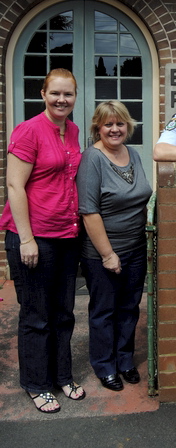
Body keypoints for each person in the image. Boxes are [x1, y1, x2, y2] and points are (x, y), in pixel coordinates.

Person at [0, 68, 85, 414]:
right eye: (55, 94)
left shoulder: (74, 131)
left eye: (68, 94)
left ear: (75, 97)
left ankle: (61, 375)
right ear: (43, 94)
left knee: (64, 312)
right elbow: (14, 186)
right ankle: (36, 383)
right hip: (34, 237)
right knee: (36, 315)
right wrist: (26, 239)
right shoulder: (29, 131)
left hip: (67, 234)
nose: (61, 100)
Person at [77, 101, 152, 392]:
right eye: (108, 124)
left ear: (127, 126)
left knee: (130, 308)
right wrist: (108, 254)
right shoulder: (92, 158)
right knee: (104, 311)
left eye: (120, 123)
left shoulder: (132, 154)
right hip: (102, 253)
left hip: (135, 248)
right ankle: (104, 365)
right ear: (98, 127)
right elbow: (89, 211)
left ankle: (124, 360)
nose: (115, 129)